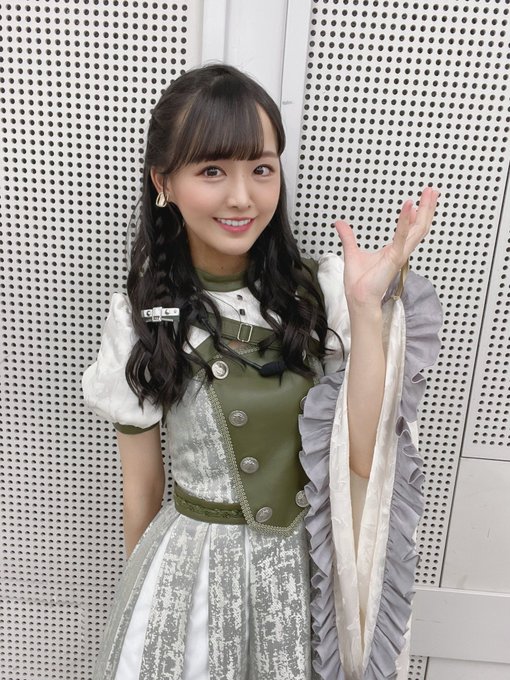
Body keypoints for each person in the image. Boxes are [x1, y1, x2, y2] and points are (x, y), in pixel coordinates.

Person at [83, 64, 442, 680]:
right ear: (163, 182)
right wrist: (145, 604)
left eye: (261, 168)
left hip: (298, 580)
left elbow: (361, 456)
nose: (242, 197)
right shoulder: (141, 319)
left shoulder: (317, 294)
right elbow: (141, 493)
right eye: (212, 171)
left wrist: (364, 309)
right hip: (190, 580)